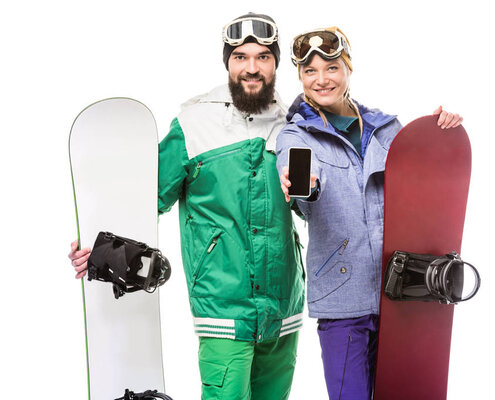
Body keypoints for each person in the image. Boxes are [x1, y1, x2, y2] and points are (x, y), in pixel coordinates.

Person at [68, 13, 305, 400]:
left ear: (275, 63)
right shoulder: (194, 124)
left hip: (285, 307)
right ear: (227, 62)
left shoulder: (292, 125)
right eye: (241, 57)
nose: (252, 68)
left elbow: (310, 205)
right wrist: (99, 248)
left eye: (263, 57)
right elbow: (145, 199)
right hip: (223, 307)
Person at [276, 27, 463, 400]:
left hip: (403, 293)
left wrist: (441, 133)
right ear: (300, 77)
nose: (321, 79)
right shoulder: (296, 136)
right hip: (343, 302)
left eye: (330, 67)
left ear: (347, 68)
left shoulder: (386, 129)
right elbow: (299, 184)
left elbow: (422, 183)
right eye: (309, 71)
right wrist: (303, 184)